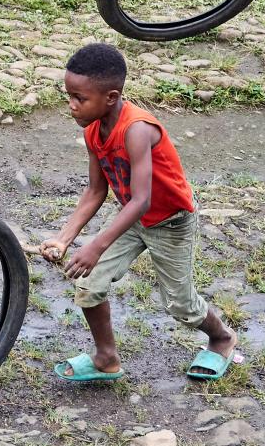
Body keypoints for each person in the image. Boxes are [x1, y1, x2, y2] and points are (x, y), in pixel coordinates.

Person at [39, 43, 237, 382]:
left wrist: (96, 245)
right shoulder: (93, 131)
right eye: (69, 96)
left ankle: (222, 338)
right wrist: (64, 238)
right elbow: (96, 191)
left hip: (170, 221)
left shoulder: (137, 130)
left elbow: (142, 199)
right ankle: (106, 358)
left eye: (80, 98)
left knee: (181, 305)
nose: (72, 106)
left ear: (111, 97)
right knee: (89, 284)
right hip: (133, 219)